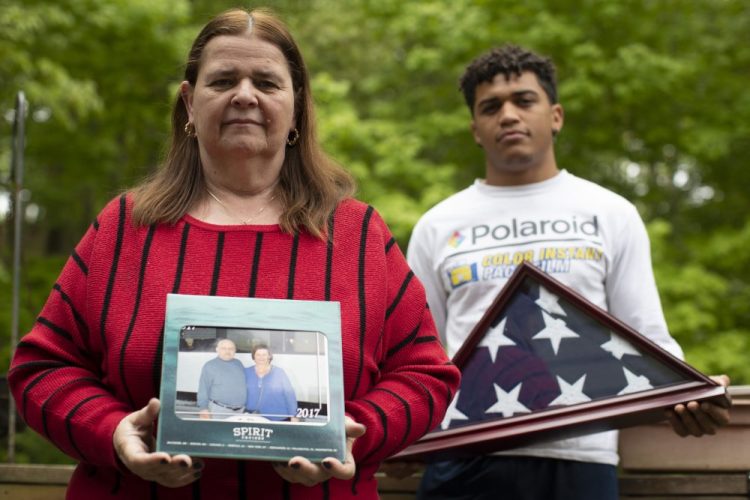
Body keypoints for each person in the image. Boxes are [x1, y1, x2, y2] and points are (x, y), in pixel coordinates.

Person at [8, 7, 460, 499]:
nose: (244, 95)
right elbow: (41, 369)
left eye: (266, 82)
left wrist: (356, 430)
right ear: (189, 103)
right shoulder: (124, 228)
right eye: (223, 80)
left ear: (297, 106)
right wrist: (113, 431)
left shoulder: (357, 235)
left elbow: (425, 375)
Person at [406, 44, 730, 500]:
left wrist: (692, 392)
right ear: (475, 129)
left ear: (555, 115)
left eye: (524, 100)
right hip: (463, 458)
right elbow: (419, 356)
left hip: (582, 459)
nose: (509, 115)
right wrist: (402, 437)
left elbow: (647, 336)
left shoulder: (610, 213)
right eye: (491, 107)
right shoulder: (437, 225)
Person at [196, 338, 246, 419]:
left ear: (235, 351)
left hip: (240, 411)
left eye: (231, 349)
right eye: (224, 348)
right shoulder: (210, 366)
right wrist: (203, 408)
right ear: (217, 350)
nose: (227, 351)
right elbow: (203, 388)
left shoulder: (238, 363)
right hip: (219, 410)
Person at [244, 344, 297, 421]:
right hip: (253, 418)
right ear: (254, 357)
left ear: (269, 356)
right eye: (258, 355)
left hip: (277, 417)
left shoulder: (279, 372)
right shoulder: (246, 372)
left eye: (264, 355)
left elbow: (290, 395)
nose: (261, 357)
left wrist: (294, 416)